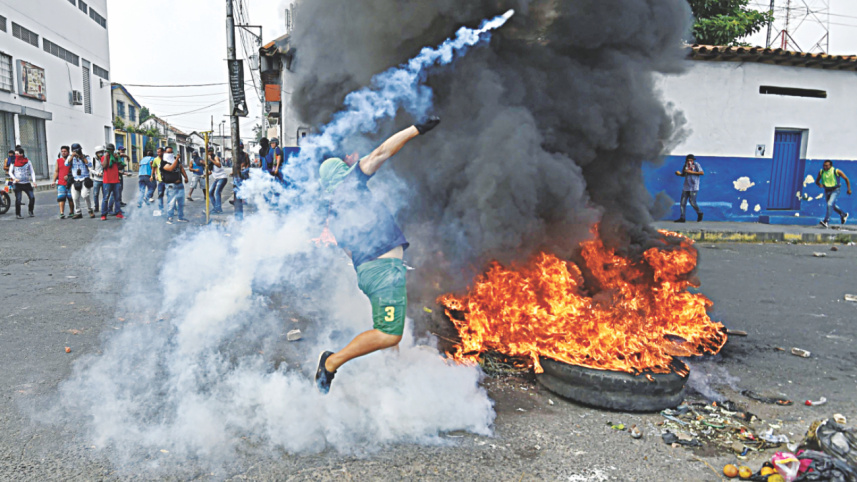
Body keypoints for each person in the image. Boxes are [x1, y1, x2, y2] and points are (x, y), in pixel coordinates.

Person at [314, 117, 441, 394]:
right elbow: (381, 152)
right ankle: (331, 363)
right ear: (342, 174)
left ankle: (393, 383)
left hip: (371, 273)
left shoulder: (333, 212)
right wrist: (416, 129)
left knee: (389, 327)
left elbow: (349, 251)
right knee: (389, 333)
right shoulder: (351, 184)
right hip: (383, 272)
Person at [816, 160, 851, 228]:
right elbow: (817, 180)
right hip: (827, 190)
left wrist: (849, 189)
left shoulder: (836, 171)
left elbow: (846, 179)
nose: (825, 167)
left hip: (835, 190)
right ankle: (843, 215)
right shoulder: (821, 171)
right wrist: (819, 184)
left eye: (826, 165)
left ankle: (826, 221)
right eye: (824, 165)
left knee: (829, 204)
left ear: (830, 165)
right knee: (832, 206)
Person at [160, 148, 189, 224]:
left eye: (171, 152)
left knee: (181, 202)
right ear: (165, 153)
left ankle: (180, 217)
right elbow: (170, 168)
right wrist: (177, 159)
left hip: (179, 184)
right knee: (171, 202)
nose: (170, 154)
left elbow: (181, 168)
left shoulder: (175, 159)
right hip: (171, 185)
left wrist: (185, 177)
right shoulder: (163, 162)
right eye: (168, 152)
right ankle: (169, 218)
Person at [66, 143, 94, 219]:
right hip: (75, 180)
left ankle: (90, 210)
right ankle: (78, 212)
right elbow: (66, 164)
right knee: (75, 197)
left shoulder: (86, 157)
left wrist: (82, 157)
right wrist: (72, 156)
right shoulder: (70, 158)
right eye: (75, 151)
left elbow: (90, 165)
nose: (77, 152)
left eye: (78, 150)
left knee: (85, 195)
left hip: (84, 179)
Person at [674, 154, 704, 223]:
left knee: (692, 202)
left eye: (691, 160)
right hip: (686, 186)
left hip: (694, 187)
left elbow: (702, 173)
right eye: (688, 160)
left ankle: (699, 212)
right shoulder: (685, 166)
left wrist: (692, 172)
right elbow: (684, 174)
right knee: (682, 202)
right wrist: (679, 174)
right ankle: (682, 218)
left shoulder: (696, 165)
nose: (689, 161)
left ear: (693, 160)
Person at [9, 146, 36, 219]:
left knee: (32, 197)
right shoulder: (13, 161)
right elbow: (10, 172)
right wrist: (14, 178)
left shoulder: (27, 161)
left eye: (17, 154)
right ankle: (18, 214)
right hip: (17, 184)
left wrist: (34, 181)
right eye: (15, 154)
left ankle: (31, 211)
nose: (15, 155)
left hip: (27, 183)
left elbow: (32, 172)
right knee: (18, 199)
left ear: (21, 154)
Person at [100, 144, 125, 220]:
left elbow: (121, 166)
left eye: (111, 150)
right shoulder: (104, 157)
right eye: (109, 150)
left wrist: (118, 159)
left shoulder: (115, 157)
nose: (111, 151)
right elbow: (104, 166)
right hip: (107, 181)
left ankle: (118, 212)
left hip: (116, 180)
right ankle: (103, 214)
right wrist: (106, 156)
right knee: (105, 198)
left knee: (117, 198)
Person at [54, 146, 75, 219]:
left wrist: (70, 176)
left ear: (68, 152)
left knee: (70, 198)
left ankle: (71, 212)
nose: (63, 152)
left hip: (70, 182)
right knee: (61, 198)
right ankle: (61, 212)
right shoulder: (58, 161)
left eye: (65, 151)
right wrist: (54, 181)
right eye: (62, 151)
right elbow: (56, 171)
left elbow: (74, 170)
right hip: (61, 182)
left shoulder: (71, 160)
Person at [232, 142, 251, 219]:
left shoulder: (245, 155)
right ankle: (236, 199)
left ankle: (244, 199)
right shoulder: (236, 155)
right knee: (236, 185)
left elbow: (248, 164)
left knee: (244, 186)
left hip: (244, 172)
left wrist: (245, 170)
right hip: (238, 172)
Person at [208, 148, 228, 214]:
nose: (208, 152)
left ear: (212, 152)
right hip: (217, 179)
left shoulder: (215, 157)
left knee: (217, 192)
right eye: (208, 151)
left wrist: (210, 159)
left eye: (210, 151)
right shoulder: (210, 161)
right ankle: (216, 208)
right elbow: (211, 171)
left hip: (222, 178)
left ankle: (218, 209)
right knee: (210, 192)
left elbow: (218, 165)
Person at [151, 147, 166, 213]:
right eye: (157, 152)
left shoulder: (166, 159)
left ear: (163, 152)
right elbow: (154, 168)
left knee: (170, 194)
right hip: (160, 180)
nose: (158, 153)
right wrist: (153, 175)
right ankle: (161, 209)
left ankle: (172, 208)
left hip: (168, 180)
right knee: (160, 195)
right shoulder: (156, 159)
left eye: (159, 152)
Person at [91, 146, 105, 212]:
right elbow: (91, 169)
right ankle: (96, 207)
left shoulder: (105, 159)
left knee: (105, 194)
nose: (101, 154)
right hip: (96, 179)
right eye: (99, 152)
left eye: (102, 152)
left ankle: (104, 207)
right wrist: (97, 173)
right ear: (96, 153)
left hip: (104, 179)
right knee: (96, 194)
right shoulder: (93, 159)